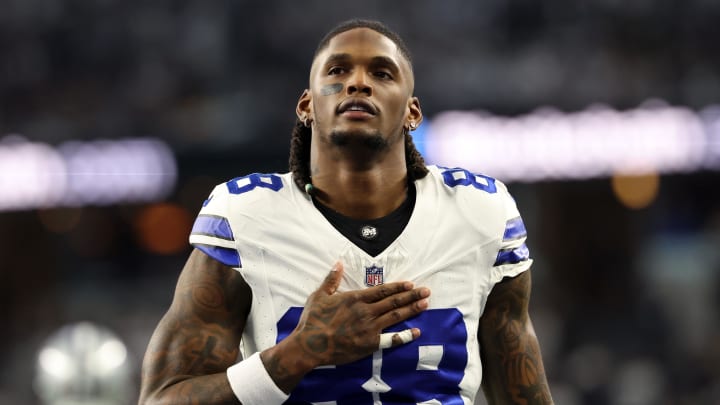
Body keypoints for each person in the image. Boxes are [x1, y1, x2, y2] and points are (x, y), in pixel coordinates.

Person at [139, 18, 553, 405]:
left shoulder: (479, 213)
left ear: (412, 112)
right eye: (337, 72)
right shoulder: (246, 216)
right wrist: (296, 355)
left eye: (381, 73)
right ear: (306, 106)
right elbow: (162, 397)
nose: (357, 82)